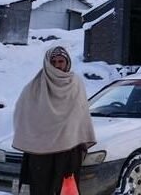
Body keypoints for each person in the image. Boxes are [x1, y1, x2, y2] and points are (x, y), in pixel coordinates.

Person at [13, 46, 96, 195]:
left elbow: (81, 114)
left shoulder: (75, 83)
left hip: (68, 150)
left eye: (61, 61)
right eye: (54, 61)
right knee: (41, 189)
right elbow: (22, 115)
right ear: (47, 63)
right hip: (40, 152)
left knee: (65, 190)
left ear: (67, 62)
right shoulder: (34, 87)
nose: (57, 65)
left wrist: (76, 136)